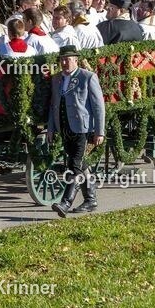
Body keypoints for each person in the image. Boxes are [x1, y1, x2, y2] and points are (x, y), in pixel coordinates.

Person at [47, 45, 105, 217]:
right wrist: (51, 128)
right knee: (81, 165)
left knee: (74, 166)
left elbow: (98, 106)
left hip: (82, 129)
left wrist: (99, 131)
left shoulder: (87, 77)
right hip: (64, 128)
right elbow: (53, 105)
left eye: (68, 59)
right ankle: (91, 200)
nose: (64, 63)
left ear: (76, 60)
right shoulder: (56, 78)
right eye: (62, 59)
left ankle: (65, 203)